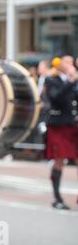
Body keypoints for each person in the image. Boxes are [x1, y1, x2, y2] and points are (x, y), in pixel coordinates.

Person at [44, 54, 78, 210]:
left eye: (72, 62)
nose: (70, 65)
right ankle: (57, 197)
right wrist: (70, 81)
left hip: (74, 125)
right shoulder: (51, 80)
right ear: (60, 65)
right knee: (59, 160)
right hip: (59, 125)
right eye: (67, 62)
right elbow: (56, 98)